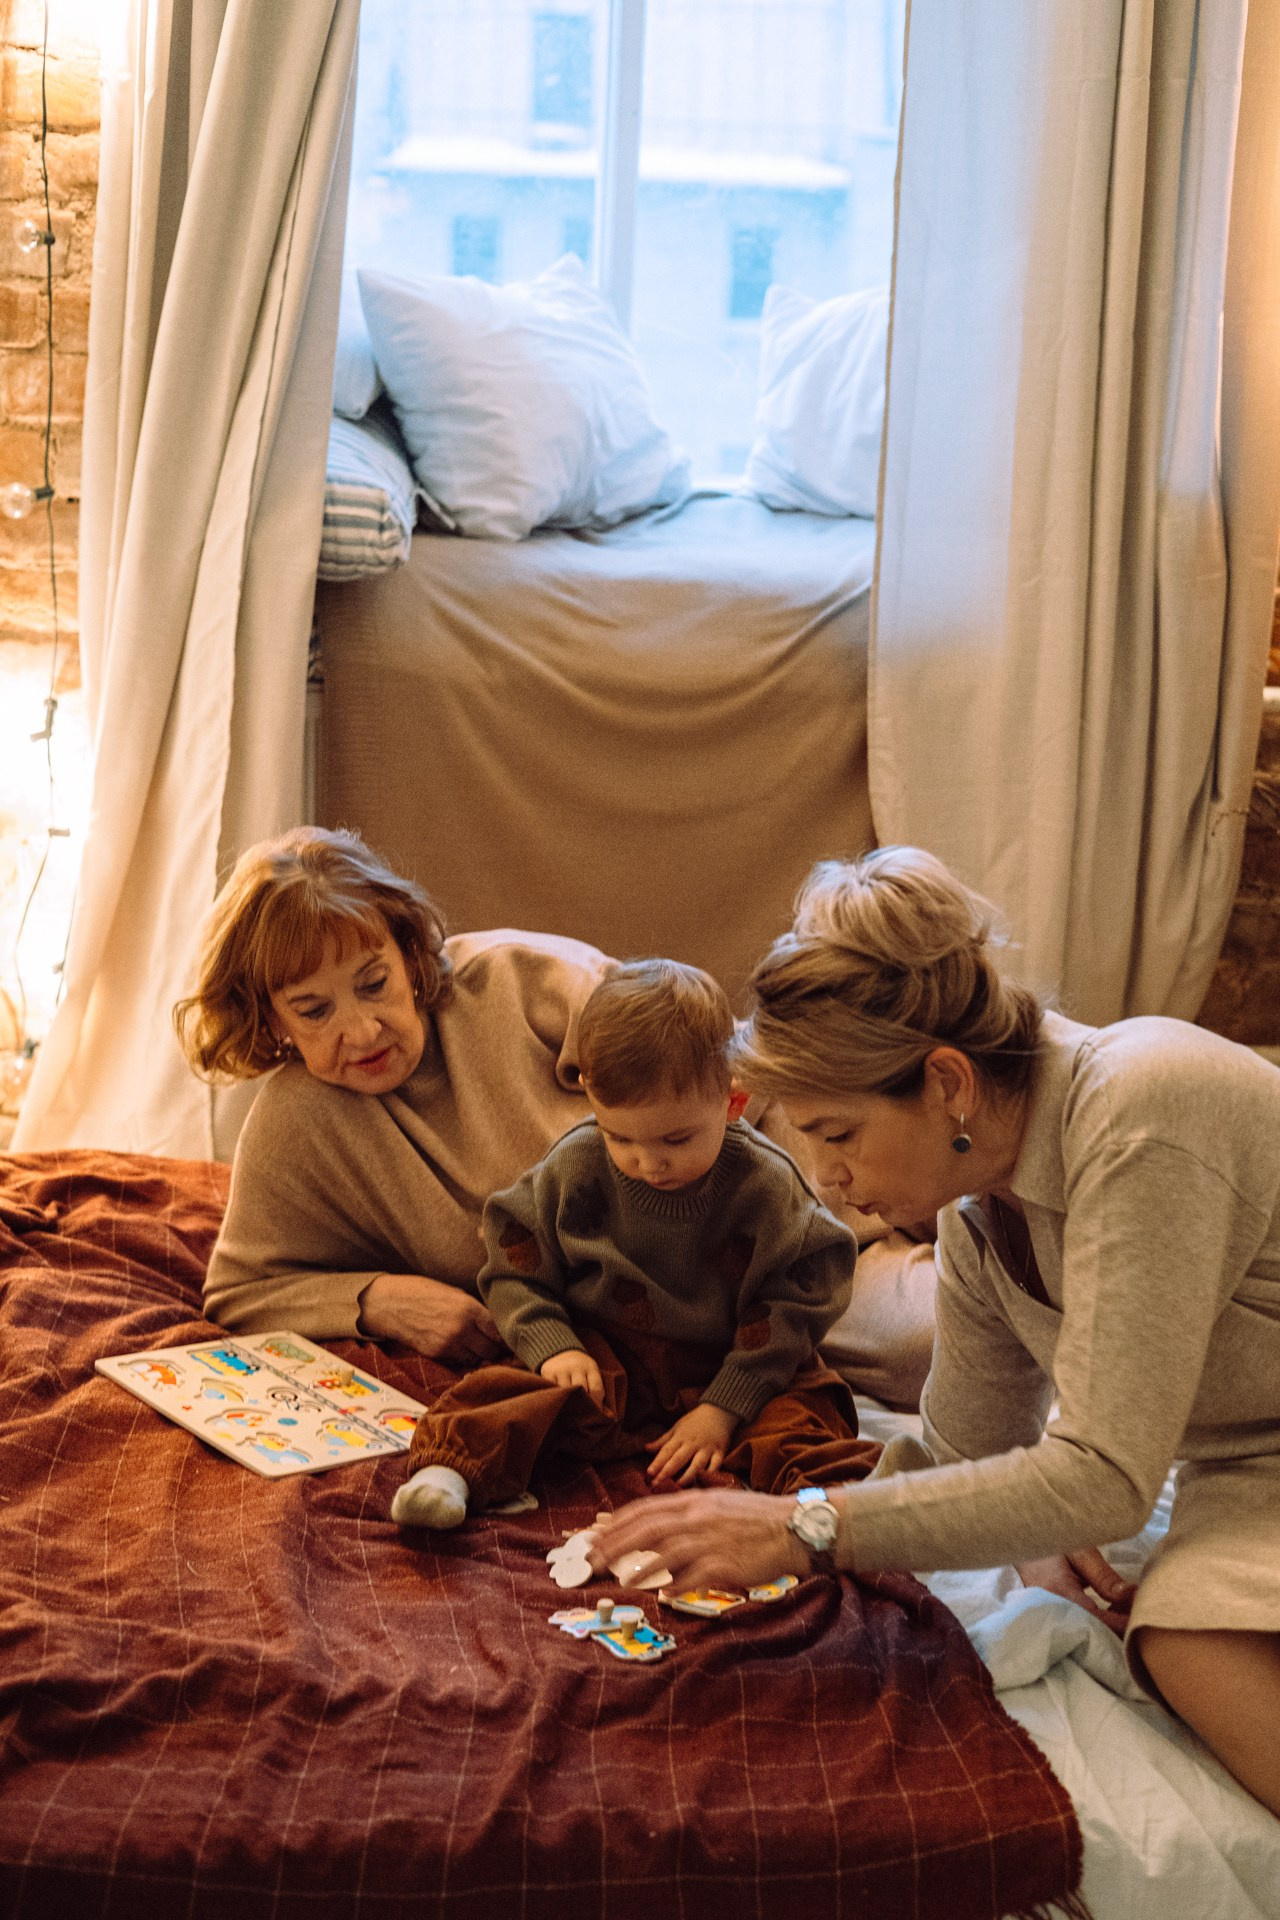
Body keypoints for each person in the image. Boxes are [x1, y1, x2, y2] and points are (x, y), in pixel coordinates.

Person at [592, 848, 1280, 1819]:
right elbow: (964, 1450)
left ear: (947, 1081)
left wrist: (801, 1532)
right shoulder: (976, 1220)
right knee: (1182, 1639)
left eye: (835, 1134)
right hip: (1247, 1460)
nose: (825, 1181)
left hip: (1250, 1456)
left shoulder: (1141, 1109)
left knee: (1184, 1644)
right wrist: (755, 1543)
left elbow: (1104, 1479)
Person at [177, 827, 934, 1399]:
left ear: (409, 954)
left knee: (940, 1334)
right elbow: (241, 1291)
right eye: (314, 1010)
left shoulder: (517, 981)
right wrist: (375, 1301)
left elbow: (712, 1065)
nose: (363, 1029)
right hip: (648, 1338)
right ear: (270, 1018)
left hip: (776, 1245)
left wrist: (871, 1184)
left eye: (375, 983)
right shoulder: (294, 1124)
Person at [392, 959, 878, 1529]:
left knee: (805, 1417)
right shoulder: (574, 1167)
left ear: (734, 1102)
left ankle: (834, 1521)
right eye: (620, 1137)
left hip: (739, 1358)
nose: (649, 1163)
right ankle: (449, 1474)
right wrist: (554, 1347)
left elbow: (795, 1307)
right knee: (512, 1391)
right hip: (607, 1354)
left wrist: (724, 1408)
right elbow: (513, 1261)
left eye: (677, 1138)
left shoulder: (769, 1188)